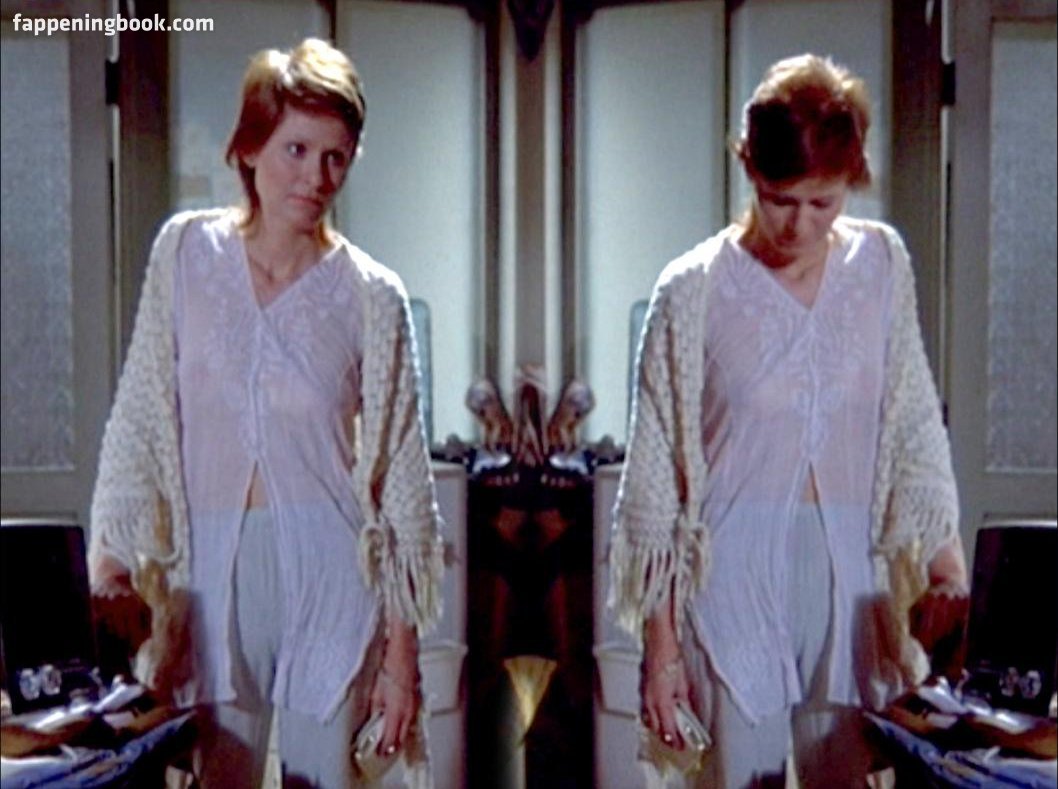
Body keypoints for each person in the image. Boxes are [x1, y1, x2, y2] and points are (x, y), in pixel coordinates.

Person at [88, 38, 445, 788]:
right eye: (297, 149)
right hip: (208, 579)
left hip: (332, 571)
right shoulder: (185, 253)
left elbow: (404, 486)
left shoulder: (372, 296)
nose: (316, 177)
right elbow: (140, 414)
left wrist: (401, 658)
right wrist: (111, 560)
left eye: (336, 157)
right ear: (249, 148)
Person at [609, 54, 969, 788]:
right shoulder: (691, 291)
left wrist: (946, 566)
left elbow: (911, 420)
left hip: (852, 580)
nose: (799, 223)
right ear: (748, 167)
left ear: (851, 181)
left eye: (822, 202)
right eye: (779, 199)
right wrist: (662, 648)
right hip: (730, 580)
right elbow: (654, 485)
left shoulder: (881, 264)